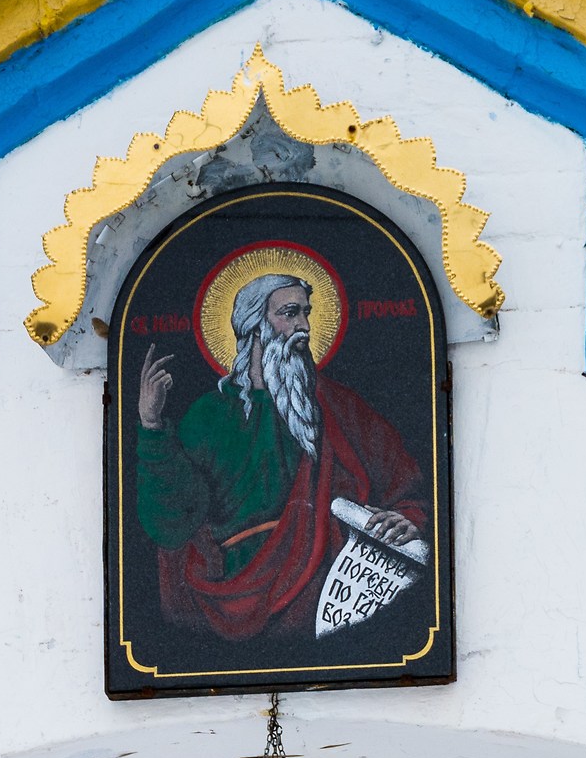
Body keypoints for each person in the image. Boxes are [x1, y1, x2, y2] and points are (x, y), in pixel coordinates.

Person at [134, 272, 426, 641]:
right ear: (255, 326)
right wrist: (151, 425)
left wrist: (408, 518)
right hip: (226, 591)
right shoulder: (208, 416)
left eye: (306, 313)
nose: (304, 326)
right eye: (289, 313)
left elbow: (405, 487)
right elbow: (172, 521)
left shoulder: (338, 407)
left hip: (322, 591)